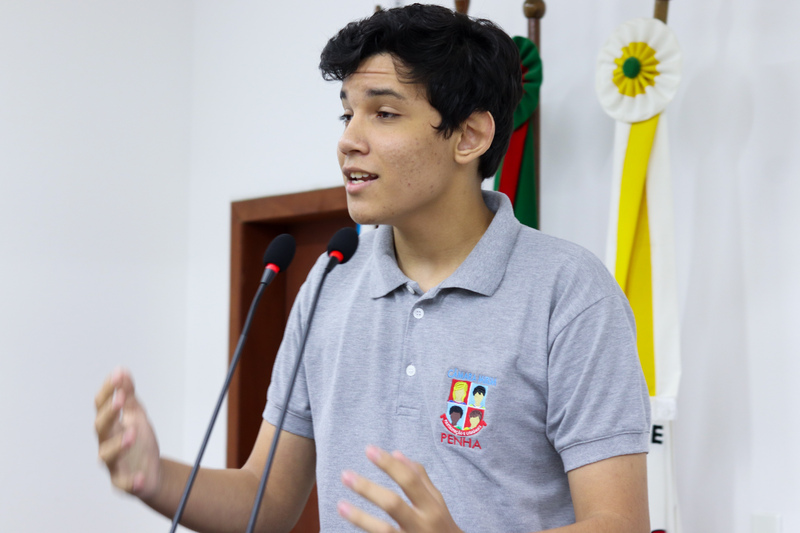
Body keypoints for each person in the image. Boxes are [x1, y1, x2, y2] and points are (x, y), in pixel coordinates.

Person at [95, 4, 651, 532]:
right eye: (347, 113)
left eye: (384, 113)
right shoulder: (330, 280)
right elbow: (264, 502)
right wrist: (155, 477)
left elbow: (621, 522)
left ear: (469, 136)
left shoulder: (570, 292)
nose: (348, 141)